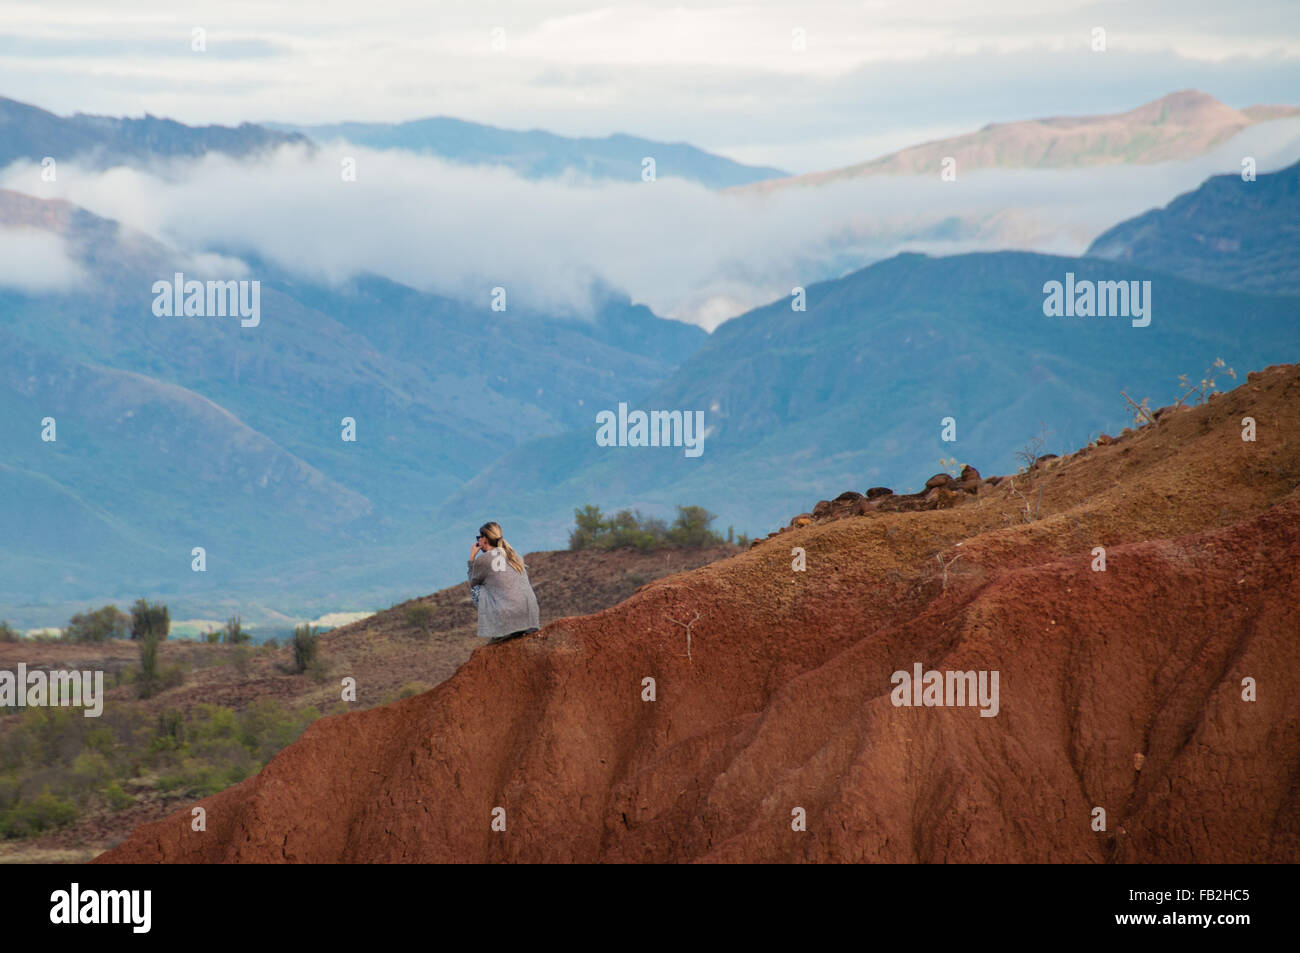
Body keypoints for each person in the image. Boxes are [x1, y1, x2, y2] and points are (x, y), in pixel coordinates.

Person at [468, 522, 540, 644]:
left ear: (484, 539)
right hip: (531, 616)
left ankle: (501, 630)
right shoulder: (514, 556)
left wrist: (471, 558)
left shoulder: (483, 560)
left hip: (508, 616)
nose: (478, 541)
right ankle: (520, 626)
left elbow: (472, 582)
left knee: (477, 590)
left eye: (478, 538)